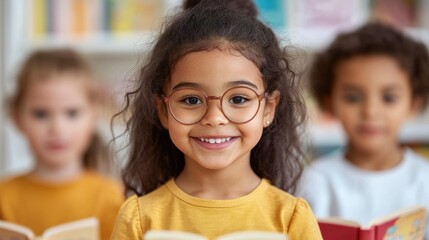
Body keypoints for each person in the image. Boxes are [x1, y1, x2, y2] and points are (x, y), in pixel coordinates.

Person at [111, 0, 322, 239]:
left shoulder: (291, 217)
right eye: (191, 100)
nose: (214, 118)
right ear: (162, 110)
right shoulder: (139, 217)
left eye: (239, 99)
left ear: (268, 109)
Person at [297, 22, 429, 238]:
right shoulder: (316, 181)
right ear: (329, 102)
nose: (370, 111)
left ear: (414, 103)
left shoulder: (424, 180)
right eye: (353, 98)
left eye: (389, 98)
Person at [0, 48, 124, 240]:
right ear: (17, 117)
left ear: (94, 114)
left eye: (72, 113)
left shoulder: (110, 196)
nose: (57, 128)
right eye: (41, 114)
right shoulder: (4, 196)